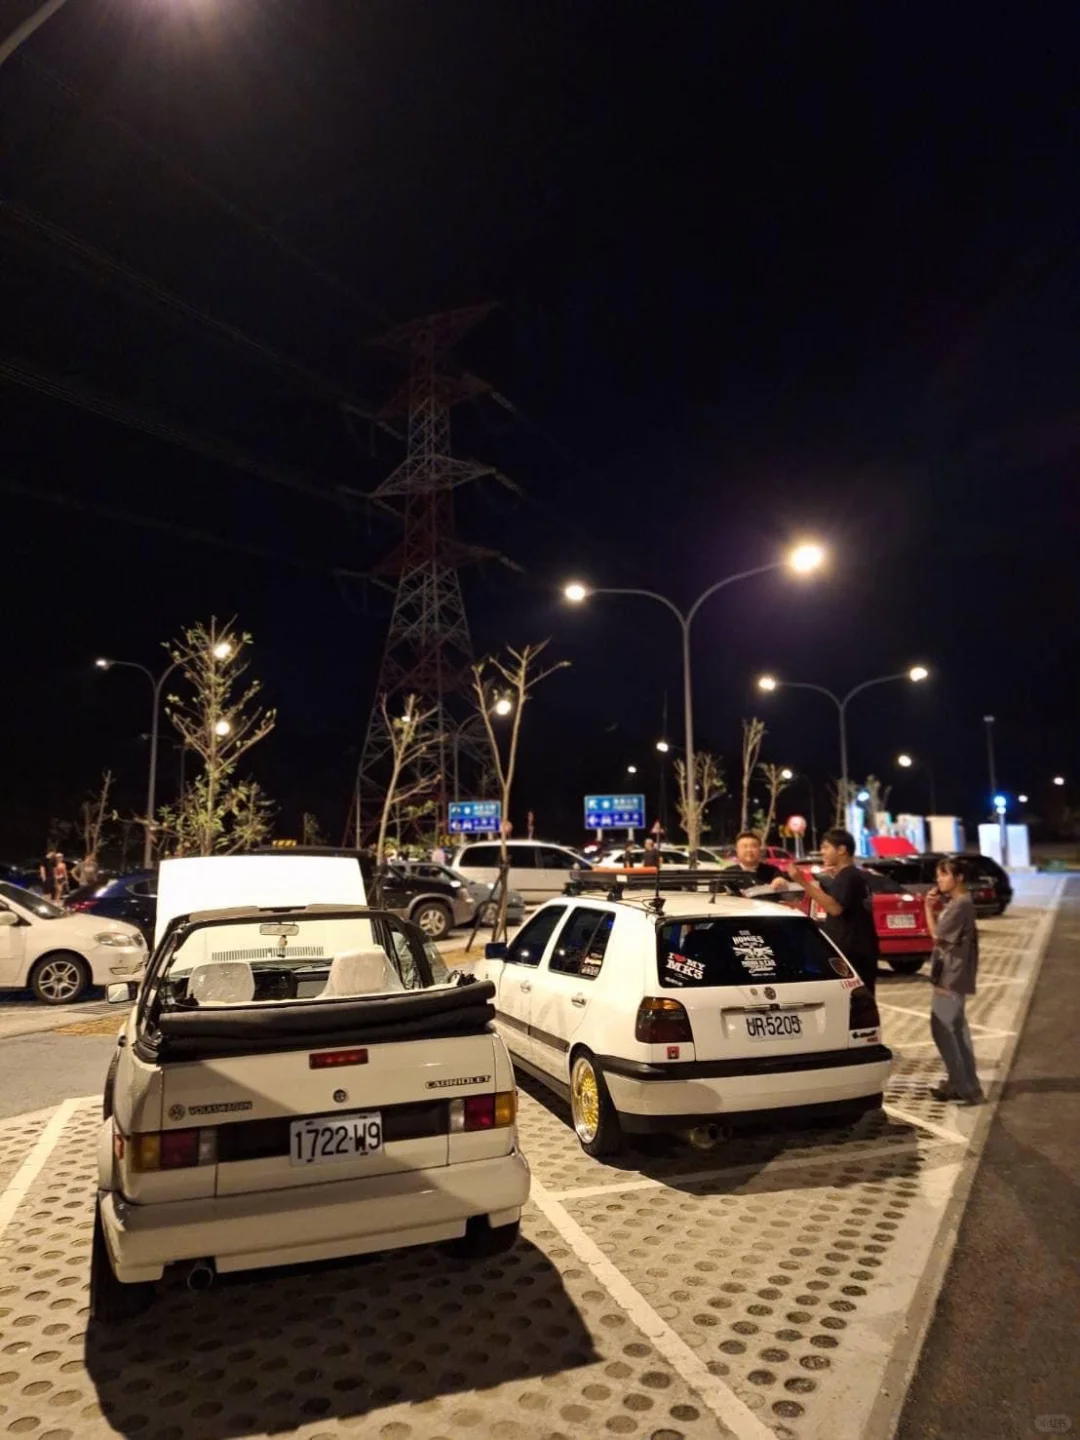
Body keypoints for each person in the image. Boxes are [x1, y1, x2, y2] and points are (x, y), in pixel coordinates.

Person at [790, 827, 879, 991]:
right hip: (861, 950)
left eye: (826, 847)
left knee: (855, 1001)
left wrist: (802, 881)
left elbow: (835, 908)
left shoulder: (848, 875)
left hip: (852, 953)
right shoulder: (851, 875)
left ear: (841, 850)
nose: (822, 852)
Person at [924, 858, 983, 1104]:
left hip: (951, 975)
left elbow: (938, 937)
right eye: (938, 875)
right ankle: (961, 1083)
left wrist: (927, 909)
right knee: (955, 1030)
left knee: (944, 1030)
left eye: (944, 874)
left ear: (959, 878)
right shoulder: (959, 903)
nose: (939, 879)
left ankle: (965, 1087)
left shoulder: (960, 905)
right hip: (953, 973)